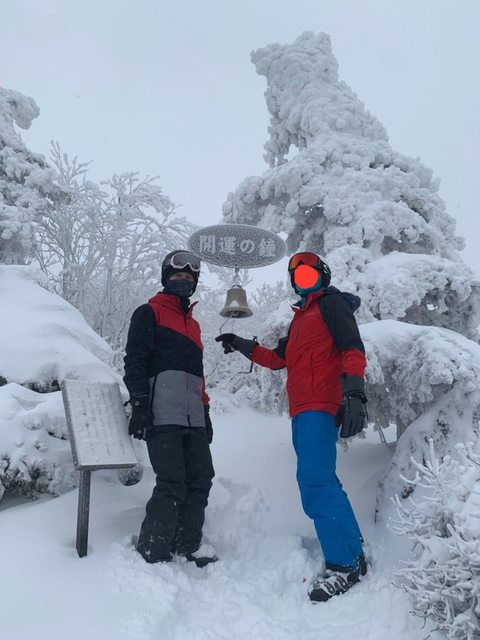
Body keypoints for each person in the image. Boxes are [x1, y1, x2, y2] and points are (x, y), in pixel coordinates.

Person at [216, 252, 368, 601]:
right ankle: (353, 551)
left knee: (315, 483)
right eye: (296, 276)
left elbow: (352, 348)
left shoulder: (332, 305)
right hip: (302, 410)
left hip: (320, 405)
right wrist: (241, 344)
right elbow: (277, 359)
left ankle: (343, 565)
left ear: (322, 275)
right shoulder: (300, 319)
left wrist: (354, 393)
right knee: (324, 481)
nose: (302, 279)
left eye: (308, 272)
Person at [123, 250, 216, 567]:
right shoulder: (149, 312)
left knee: (201, 479)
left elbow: (198, 376)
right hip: (162, 415)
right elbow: (135, 361)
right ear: (166, 279)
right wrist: (140, 404)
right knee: (172, 482)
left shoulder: (194, 326)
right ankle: (154, 549)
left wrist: (205, 412)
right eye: (177, 276)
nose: (183, 281)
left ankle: (187, 544)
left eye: (189, 278)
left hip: (193, 418)